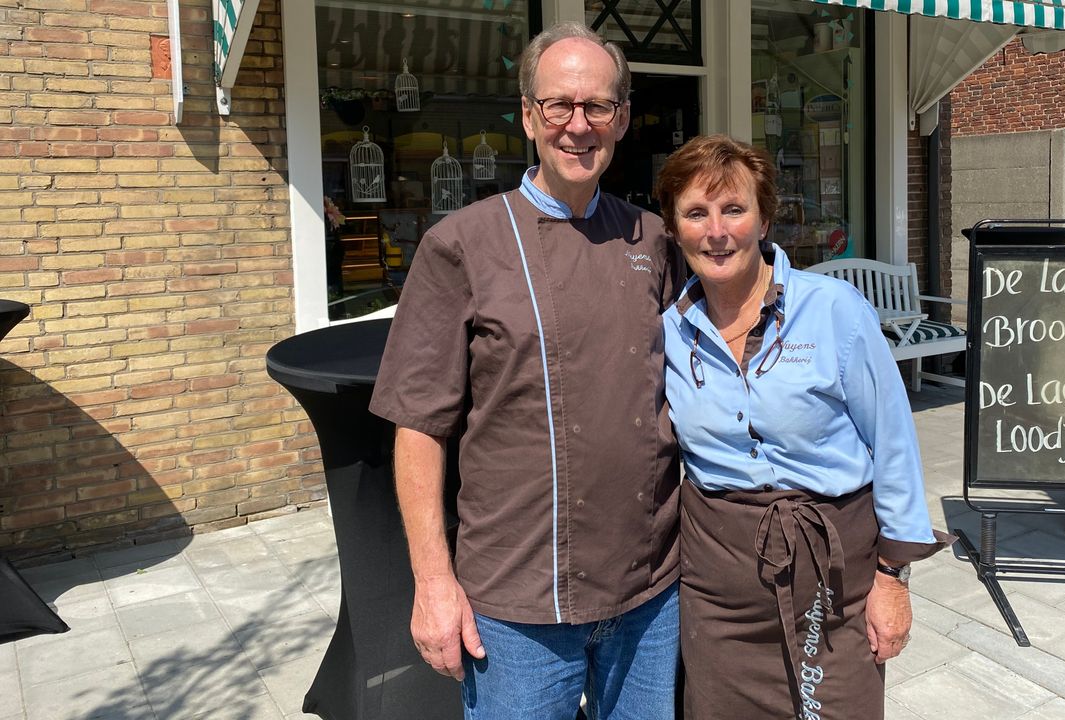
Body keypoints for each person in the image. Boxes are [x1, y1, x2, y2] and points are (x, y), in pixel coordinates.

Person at [370, 23, 683, 720]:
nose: (579, 125)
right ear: (527, 116)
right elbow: (419, 426)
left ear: (623, 118)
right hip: (516, 607)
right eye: (559, 105)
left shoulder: (654, 239)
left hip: (650, 592)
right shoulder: (461, 245)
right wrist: (433, 583)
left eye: (598, 106)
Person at [655, 134, 952, 719]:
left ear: (764, 217)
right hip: (720, 600)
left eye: (733, 209)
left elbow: (893, 444)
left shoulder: (835, 310)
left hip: (835, 583)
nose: (717, 231)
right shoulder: (668, 332)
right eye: (696, 213)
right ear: (674, 228)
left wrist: (892, 578)